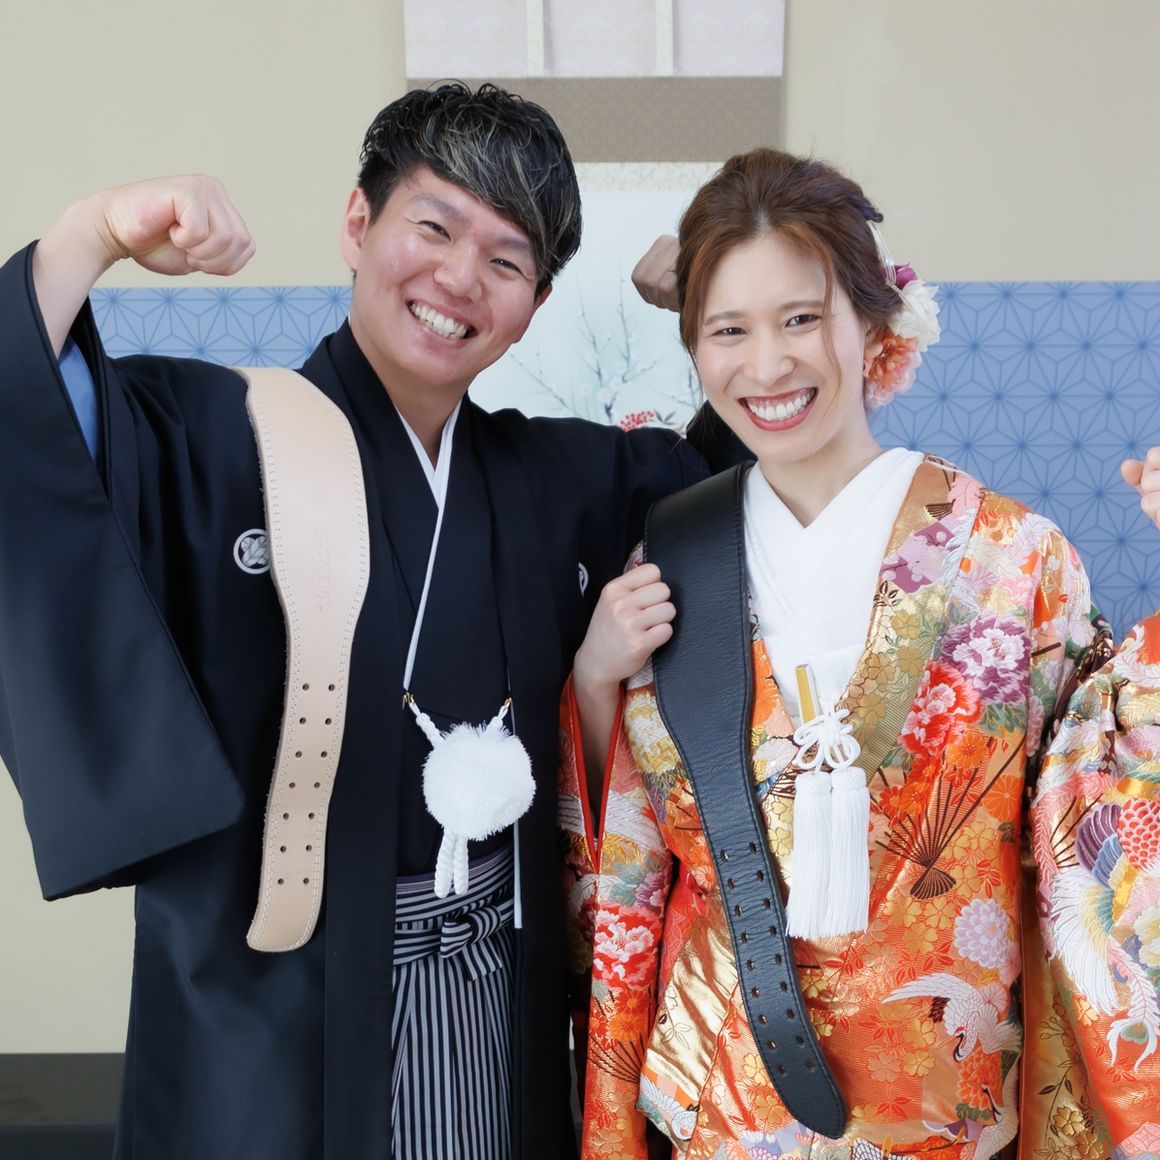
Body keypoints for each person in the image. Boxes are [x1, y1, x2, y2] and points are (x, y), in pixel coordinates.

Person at [0, 83, 741, 1160]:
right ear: (358, 222)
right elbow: (24, 428)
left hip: (496, 1002)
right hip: (275, 1011)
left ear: (534, 302)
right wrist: (94, 231)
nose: (460, 279)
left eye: (506, 260)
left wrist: (717, 298)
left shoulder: (552, 480)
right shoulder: (212, 440)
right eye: (433, 227)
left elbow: (735, 486)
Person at [560, 147, 1160, 1158]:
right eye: (727, 330)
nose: (765, 366)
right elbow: (624, 871)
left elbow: (1101, 813)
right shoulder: (667, 563)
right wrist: (590, 680)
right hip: (730, 1107)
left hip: (949, 1106)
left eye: (800, 319)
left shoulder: (1014, 557)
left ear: (873, 325)